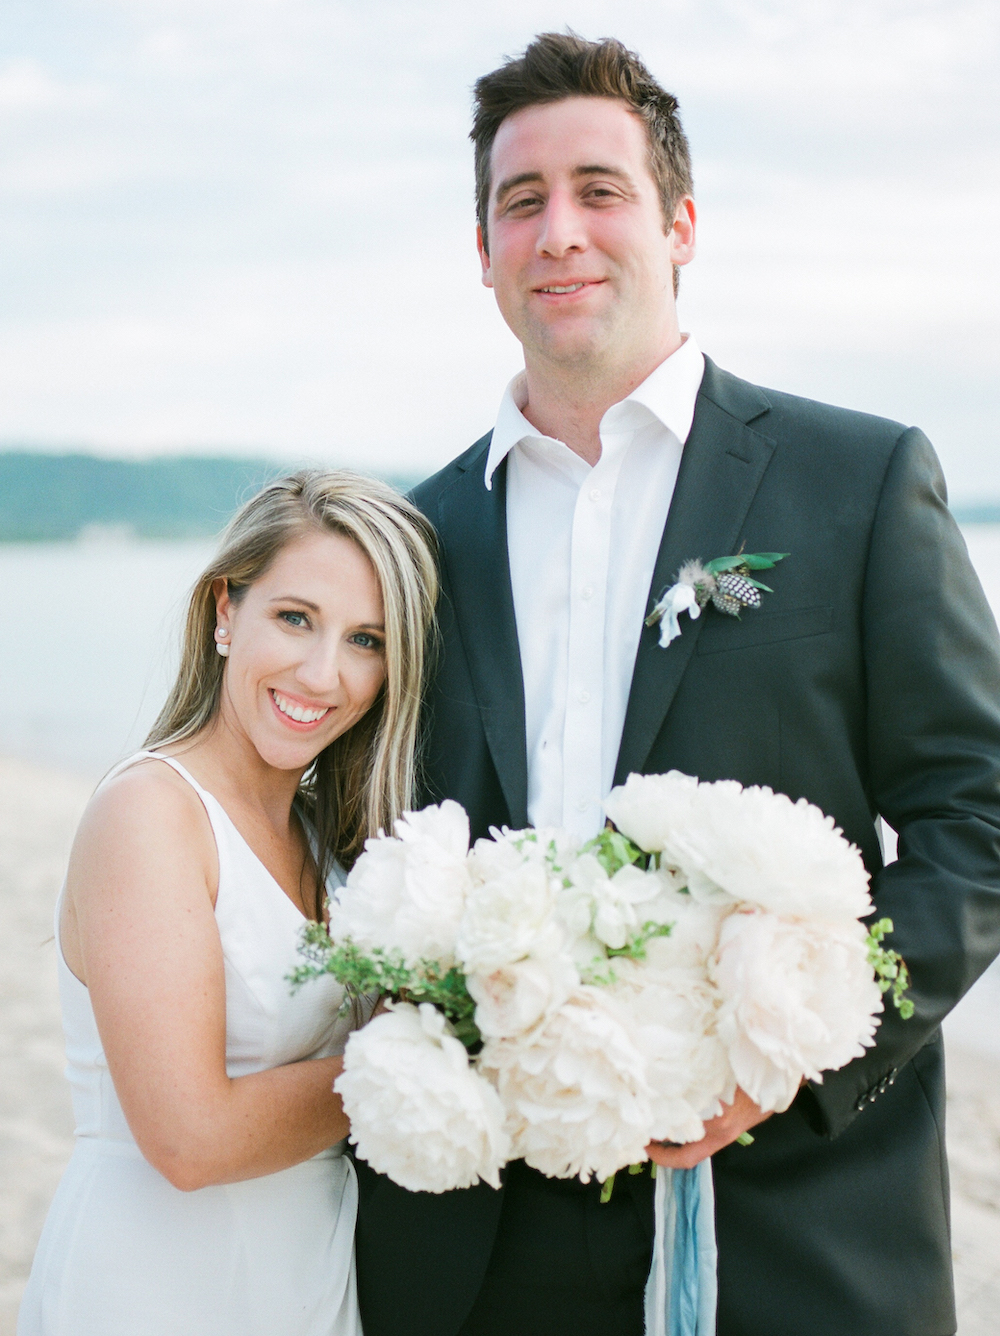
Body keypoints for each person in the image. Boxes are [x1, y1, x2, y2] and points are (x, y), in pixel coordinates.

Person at [351, 31, 1000, 1336]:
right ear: (483, 249)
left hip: (802, 1216)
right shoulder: (413, 543)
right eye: (520, 201)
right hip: (494, 1242)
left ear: (681, 223)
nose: (561, 232)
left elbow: (977, 815)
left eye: (601, 190)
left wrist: (797, 1058)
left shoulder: (855, 482)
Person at [17, 470, 438, 1336]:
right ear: (222, 613)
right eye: (295, 619)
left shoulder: (329, 838)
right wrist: (436, 1062)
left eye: (367, 639)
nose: (323, 674)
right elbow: (189, 1138)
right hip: (159, 1287)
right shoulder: (152, 813)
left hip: (307, 1280)